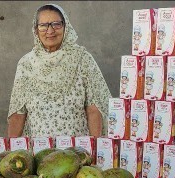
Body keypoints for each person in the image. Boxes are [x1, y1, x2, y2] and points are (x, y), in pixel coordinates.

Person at [8, 4, 111, 138]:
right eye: (43, 25)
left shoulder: (82, 58)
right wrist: (9, 152)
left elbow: (93, 109)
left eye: (56, 24)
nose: (50, 31)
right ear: (36, 29)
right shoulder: (26, 63)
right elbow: (18, 113)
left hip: (76, 152)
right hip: (38, 152)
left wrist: (95, 150)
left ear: (65, 26)